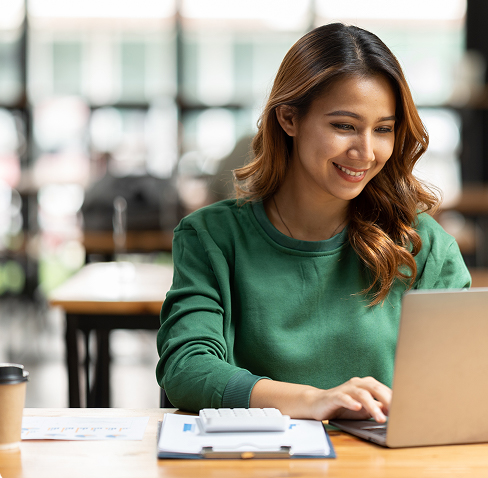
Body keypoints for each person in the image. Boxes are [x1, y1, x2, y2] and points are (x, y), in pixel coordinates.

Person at [156, 23, 471, 423]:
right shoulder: (211, 238)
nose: (366, 151)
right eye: (344, 126)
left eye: (384, 130)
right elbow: (186, 368)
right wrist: (312, 401)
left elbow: (461, 380)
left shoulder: (424, 246)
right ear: (289, 118)